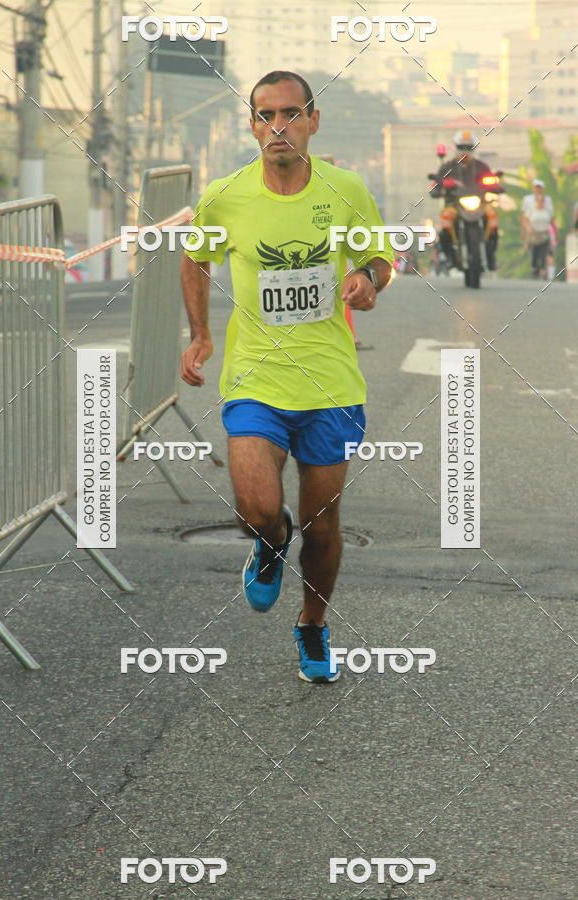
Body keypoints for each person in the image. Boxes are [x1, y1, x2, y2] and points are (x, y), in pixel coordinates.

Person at [180, 70, 393, 684]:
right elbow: (195, 258)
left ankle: (312, 624)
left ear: (313, 121)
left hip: (329, 385)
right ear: (251, 125)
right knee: (255, 509)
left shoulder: (345, 188)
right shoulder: (226, 196)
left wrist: (369, 282)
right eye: (265, 116)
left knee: (324, 525)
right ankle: (269, 545)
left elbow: (380, 258)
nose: (278, 126)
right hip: (255, 380)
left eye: (291, 114)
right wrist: (200, 335)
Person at [433, 130, 499, 270]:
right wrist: (439, 187)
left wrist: (494, 185)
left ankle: (490, 253)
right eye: (461, 147)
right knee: (445, 218)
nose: (465, 151)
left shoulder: (482, 166)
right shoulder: (447, 167)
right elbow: (436, 184)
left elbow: (492, 181)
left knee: (492, 215)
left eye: (469, 148)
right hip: (454, 205)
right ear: (455, 147)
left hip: (479, 204)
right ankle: (449, 255)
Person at [524, 190, 555, 278]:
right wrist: (528, 229)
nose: (541, 202)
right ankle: (534, 270)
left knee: (543, 254)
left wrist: (553, 236)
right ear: (536, 201)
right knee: (534, 253)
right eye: (539, 200)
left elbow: (552, 223)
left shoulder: (548, 211)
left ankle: (542, 270)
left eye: (542, 200)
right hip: (534, 234)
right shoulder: (532, 210)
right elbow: (526, 221)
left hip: (544, 234)